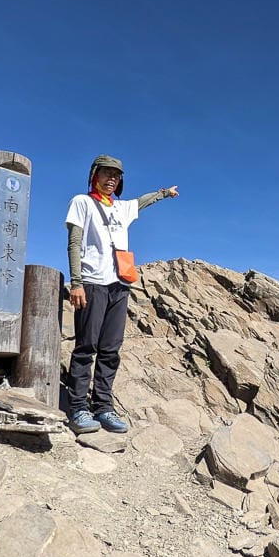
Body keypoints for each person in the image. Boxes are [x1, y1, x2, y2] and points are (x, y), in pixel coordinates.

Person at [64, 154, 178, 434]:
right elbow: (74, 243)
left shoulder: (122, 208)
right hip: (92, 282)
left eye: (116, 176)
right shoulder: (82, 202)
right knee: (86, 347)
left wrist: (165, 193)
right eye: (107, 173)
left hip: (119, 285)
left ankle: (103, 407)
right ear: (95, 175)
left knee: (110, 350)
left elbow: (143, 201)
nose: (112, 179)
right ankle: (78, 408)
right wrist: (76, 282)